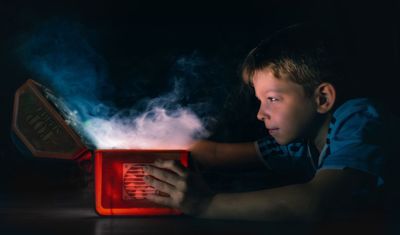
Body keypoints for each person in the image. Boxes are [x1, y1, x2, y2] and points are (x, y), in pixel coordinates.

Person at [142, 23, 387, 221]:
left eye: (272, 99)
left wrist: (206, 204)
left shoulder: (360, 120)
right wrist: (144, 141)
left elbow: (316, 202)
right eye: (260, 100)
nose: (261, 114)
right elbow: (216, 153)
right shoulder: (300, 142)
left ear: (322, 98)